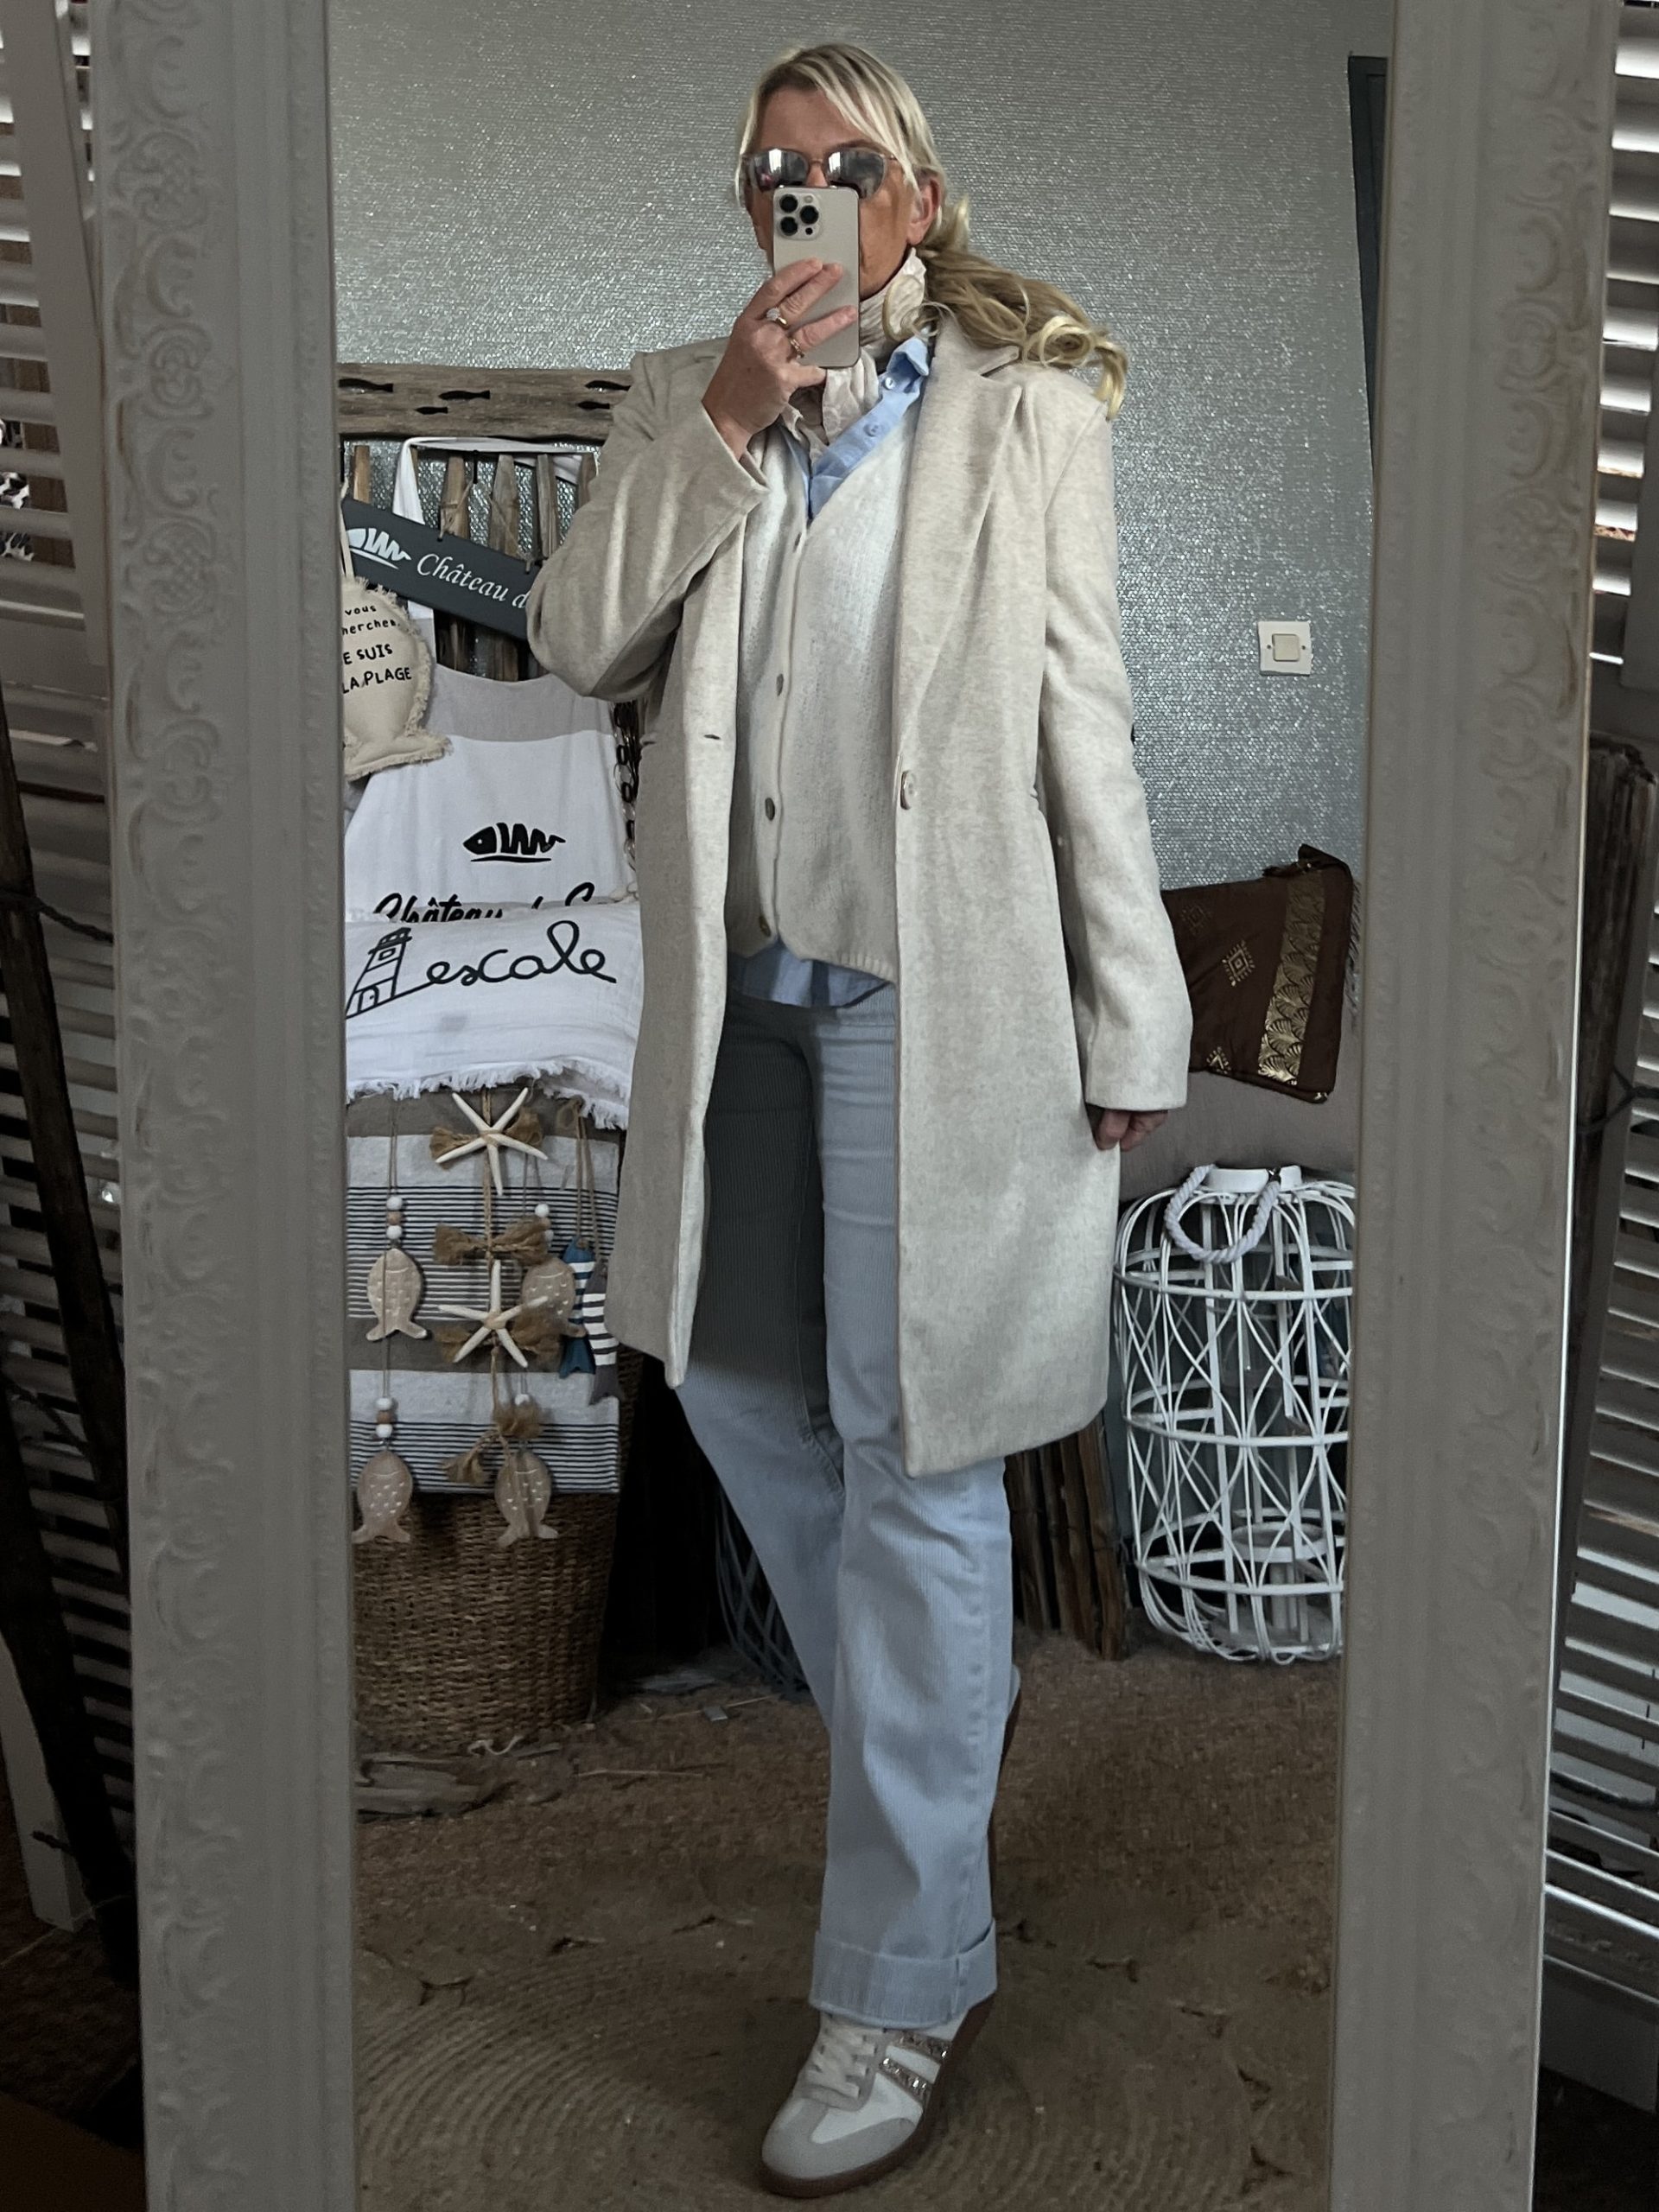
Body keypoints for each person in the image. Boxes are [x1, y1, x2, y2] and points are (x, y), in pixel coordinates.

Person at [526, 39, 1191, 2198]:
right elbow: (574, 636)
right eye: (768, 169)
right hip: (738, 1004)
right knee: (729, 1379)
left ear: (914, 192)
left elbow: (1085, 720)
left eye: (839, 162)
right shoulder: (678, 396)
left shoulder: (1031, 405)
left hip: (936, 1003)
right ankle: (946, 1713)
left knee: (917, 1446)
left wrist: (1132, 1012)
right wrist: (729, 418)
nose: (798, 190)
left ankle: (898, 1982)